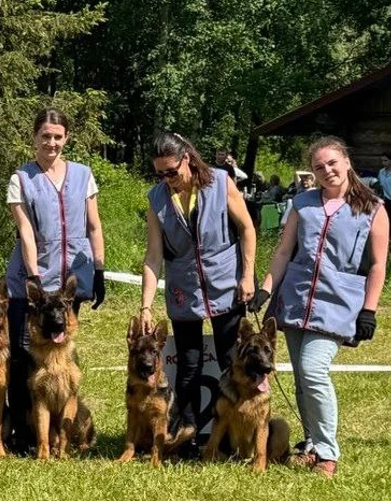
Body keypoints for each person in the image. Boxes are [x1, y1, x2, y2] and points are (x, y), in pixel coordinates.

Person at [256, 137, 387, 478]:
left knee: (313, 370)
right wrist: (266, 289)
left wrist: (369, 310)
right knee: (302, 379)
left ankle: (328, 453)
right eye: (319, 167)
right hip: (295, 299)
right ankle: (312, 444)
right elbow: (284, 251)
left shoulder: (373, 208)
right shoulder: (302, 203)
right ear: (312, 172)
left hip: (337, 304)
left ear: (346, 162)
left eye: (332, 163)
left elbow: (377, 265)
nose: (327, 170)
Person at [139, 132, 256, 457]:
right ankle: (187, 436)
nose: (167, 180)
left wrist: (247, 276)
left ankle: (234, 437)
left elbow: (247, 228)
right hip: (184, 288)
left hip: (226, 283)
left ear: (187, 159)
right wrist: (146, 306)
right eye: (159, 174)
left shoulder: (220, 182)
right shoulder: (156, 198)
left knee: (231, 360)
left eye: (171, 172)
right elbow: (153, 256)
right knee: (188, 366)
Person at [4, 108, 107, 452]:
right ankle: (23, 434)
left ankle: (61, 434)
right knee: (23, 358)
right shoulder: (21, 178)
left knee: (61, 357)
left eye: (58, 137)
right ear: (34, 137)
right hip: (32, 283)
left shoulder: (83, 174)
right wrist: (33, 274)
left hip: (70, 284)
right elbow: (25, 231)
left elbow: (94, 225)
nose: (51, 143)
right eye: (45, 136)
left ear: (66, 138)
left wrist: (99, 269)